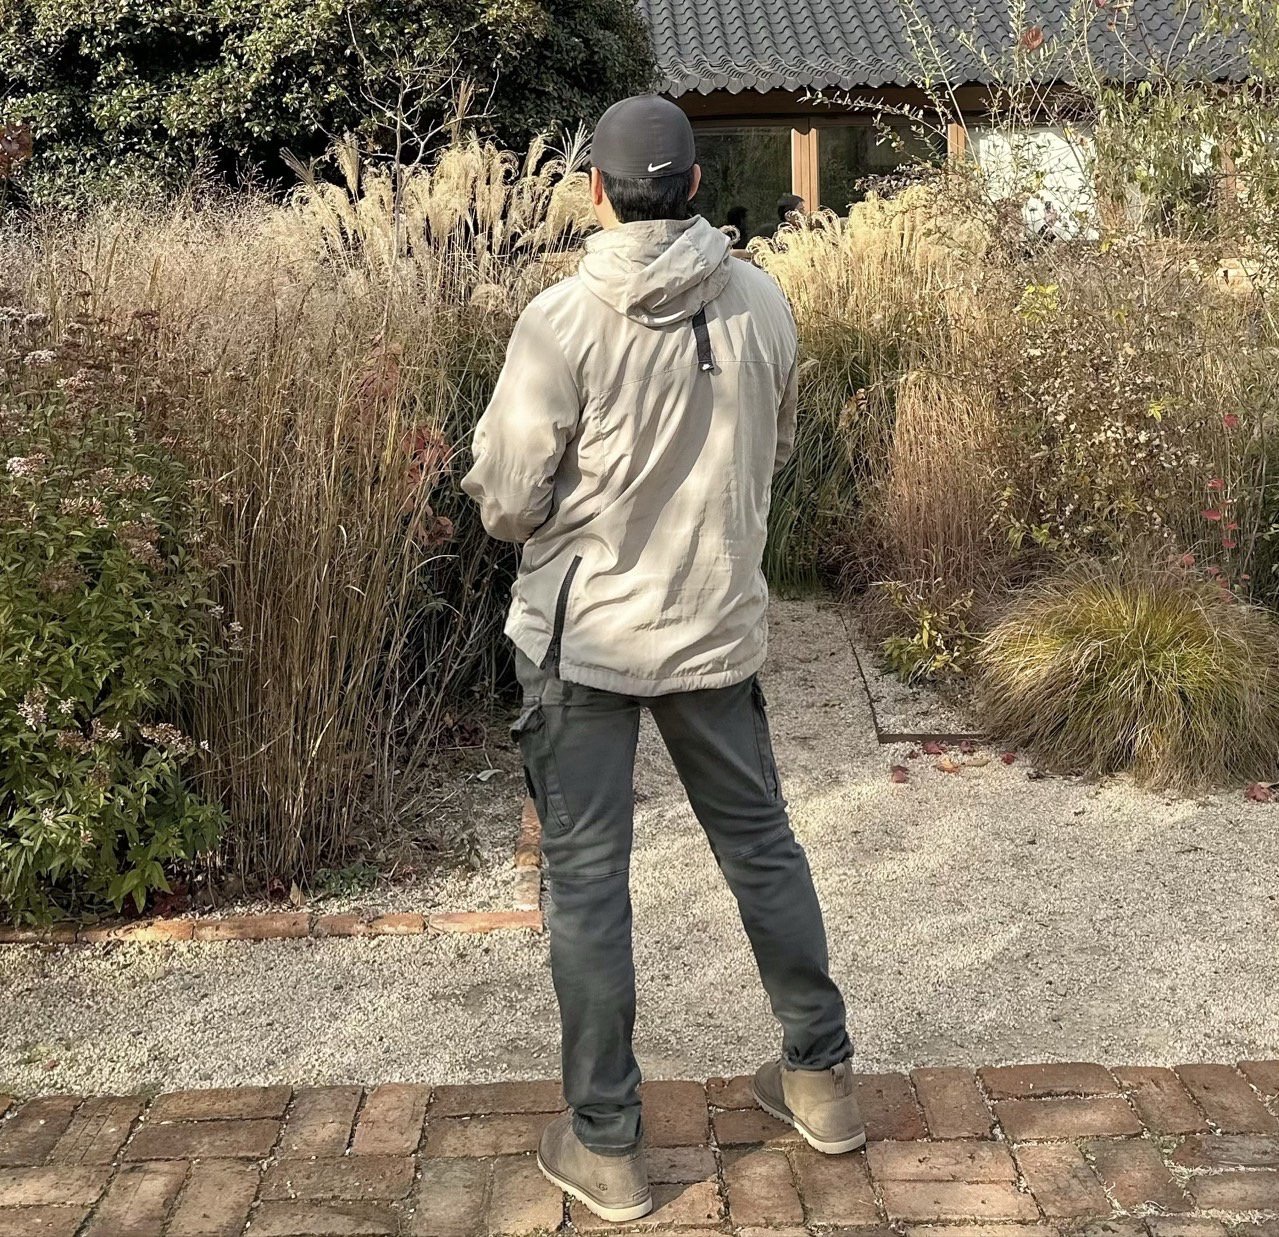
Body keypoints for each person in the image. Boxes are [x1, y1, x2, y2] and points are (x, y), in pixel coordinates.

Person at [461, 94, 861, 1225]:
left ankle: (607, 1144)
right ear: (693, 187)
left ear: (593, 190)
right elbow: (773, 452)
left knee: (588, 882)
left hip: (583, 639)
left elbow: (505, 503)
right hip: (714, 626)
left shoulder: (560, 322)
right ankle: (821, 1080)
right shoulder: (763, 301)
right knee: (762, 849)